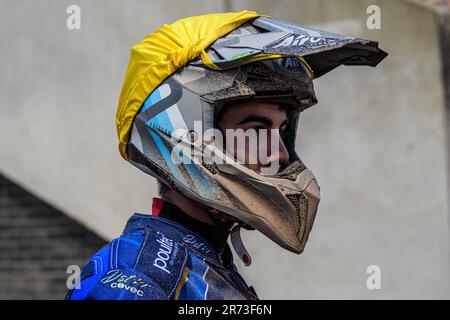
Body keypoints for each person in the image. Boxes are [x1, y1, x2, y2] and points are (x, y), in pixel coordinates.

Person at [66, 10, 387, 300]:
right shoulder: (141, 281)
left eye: (283, 129)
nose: (279, 152)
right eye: (257, 130)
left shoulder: (198, 263)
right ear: (188, 135)